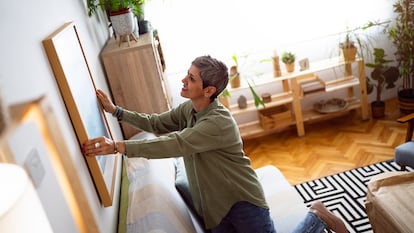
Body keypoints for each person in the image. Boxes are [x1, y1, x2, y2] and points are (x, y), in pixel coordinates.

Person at [83, 55, 347, 233]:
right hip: (213, 209)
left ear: (209, 90)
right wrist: (116, 111)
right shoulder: (188, 110)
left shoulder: (217, 123)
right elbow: (156, 123)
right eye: (187, 75)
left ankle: (316, 215)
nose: (184, 81)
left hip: (242, 200)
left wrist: (118, 147)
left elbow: (176, 144)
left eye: (192, 79)